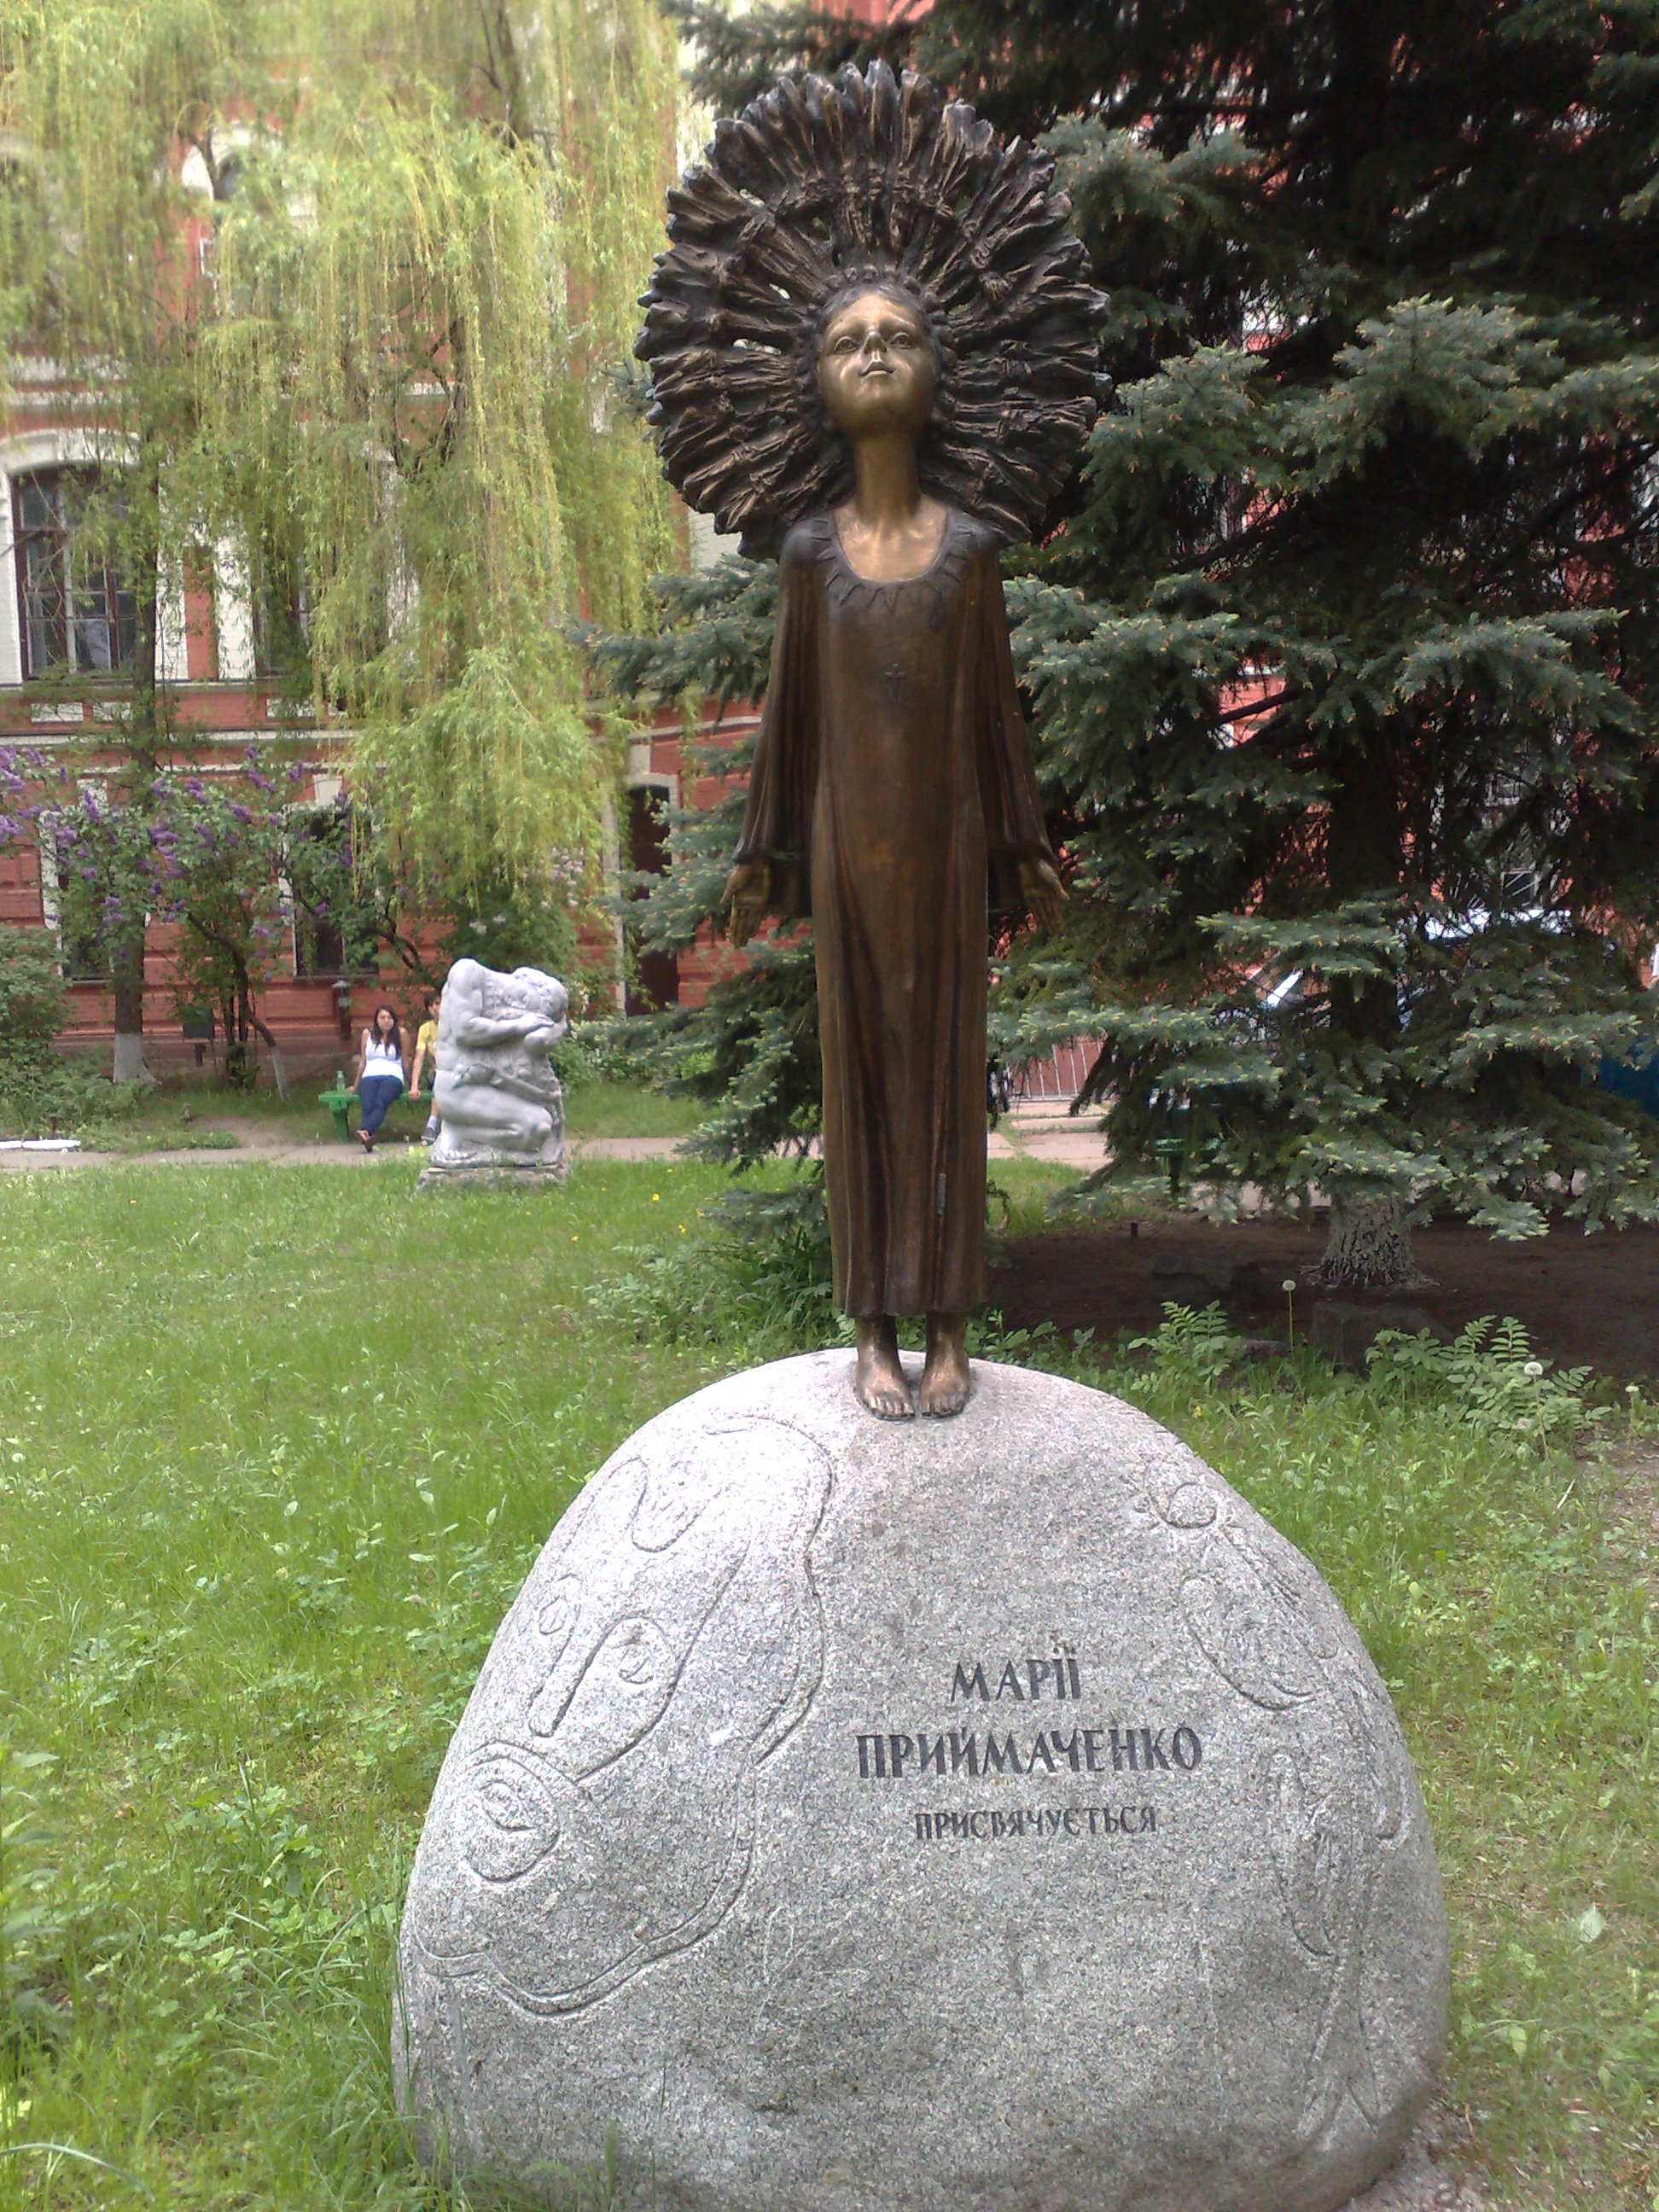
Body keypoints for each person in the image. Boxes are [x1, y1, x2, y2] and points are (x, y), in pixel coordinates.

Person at [637, 64, 1097, 1424]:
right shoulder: (806, 557)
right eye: (851, 341)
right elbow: (789, 723)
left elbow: (996, 720)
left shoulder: (970, 554)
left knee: (947, 1072)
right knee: (862, 1076)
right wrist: (764, 853)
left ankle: (953, 1326)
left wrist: (1024, 849)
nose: (878, 353)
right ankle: (874, 1332)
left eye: (900, 335)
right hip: (847, 849)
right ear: (815, 378)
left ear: (942, 369)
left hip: (945, 846)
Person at [352, 1003, 408, 1152]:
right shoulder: (367, 1034)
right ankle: (367, 1136)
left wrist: (411, 1083)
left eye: (389, 1017)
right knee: (368, 1103)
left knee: (380, 1102)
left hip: (393, 1076)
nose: (386, 1021)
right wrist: (355, 1085)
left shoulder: (401, 1034)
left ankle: (365, 1130)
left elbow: (405, 1060)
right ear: (376, 1020)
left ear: (394, 1020)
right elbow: (363, 1061)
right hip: (369, 1076)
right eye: (382, 1017)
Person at [410, 987, 442, 1144]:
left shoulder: (454, 1025)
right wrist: (414, 1086)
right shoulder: (425, 1029)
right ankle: (432, 1124)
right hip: (436, 1073)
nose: (435, 1008)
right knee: (439, 1080)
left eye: (438, 1003)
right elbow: (419, 1058)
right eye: (430, 1005)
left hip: (456, 1072)